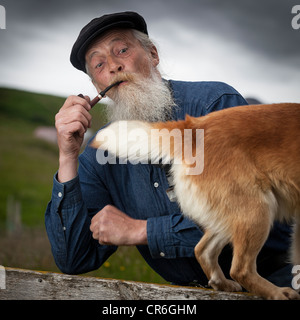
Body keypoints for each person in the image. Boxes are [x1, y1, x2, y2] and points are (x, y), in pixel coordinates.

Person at [45, 11, 293, 287]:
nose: (114, 66)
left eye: (122, 50)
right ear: (97, 86)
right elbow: (73, 259)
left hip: (279, 282)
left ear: (152, 54)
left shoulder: (214, 106)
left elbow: (250, 214)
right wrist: (67, 156)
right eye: (100, 64)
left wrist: (143, 231)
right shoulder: (100, 153)